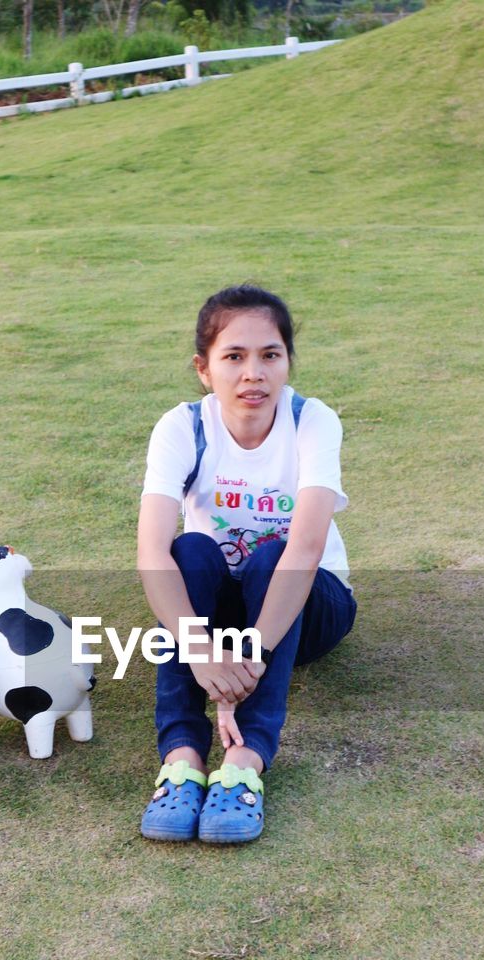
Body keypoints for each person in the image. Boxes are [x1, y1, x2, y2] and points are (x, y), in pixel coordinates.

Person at [137, 284, 356, 843]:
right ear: (204, 369)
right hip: (223, 615)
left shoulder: (314, 421)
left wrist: (249, 659)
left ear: (286, 363)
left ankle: (245, 765)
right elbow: (151, 553)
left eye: (269, 355)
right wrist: (200, 649)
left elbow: (306, 552)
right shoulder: (183, 426)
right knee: (190, 550)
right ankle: (181, 759)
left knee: (274, 556)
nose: (252, 373)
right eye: (233, 356)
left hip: (310, 609)